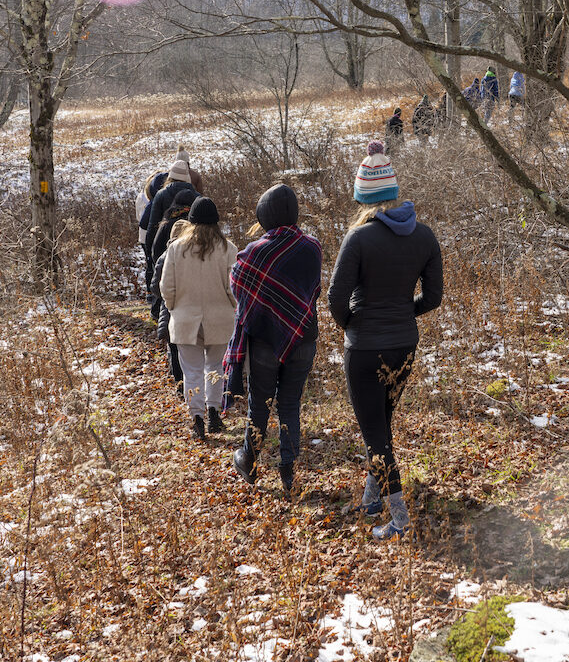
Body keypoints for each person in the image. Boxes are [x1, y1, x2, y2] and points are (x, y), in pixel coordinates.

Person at [328, 141, 443, 540]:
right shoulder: (424, 236)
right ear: (393, 193)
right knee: (381, 423)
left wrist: (353, 326)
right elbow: (433, 298)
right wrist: (401, 313)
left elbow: (335, 299)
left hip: (364, 347)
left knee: (375, 433)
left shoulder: (358, 239)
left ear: (363, 197)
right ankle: (372, 498)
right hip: (404, 345)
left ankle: (399, 519)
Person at [228, 184, 323, 499]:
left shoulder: (253, 252)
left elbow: (238, 286)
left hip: (265, 339)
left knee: (260, 403)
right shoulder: (312, 247)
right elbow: (313, 292)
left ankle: (250, 461)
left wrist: (265, 309)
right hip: (303, 336)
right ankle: (288, 468)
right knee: (290, 404)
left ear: (265, 216)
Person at [160, 196, 239, 440]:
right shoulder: (229, 249)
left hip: (185, 319)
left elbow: (166, 287)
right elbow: (234, 288)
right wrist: (234, 309)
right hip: (220, 319)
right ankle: (214, 412)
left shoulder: (176, 249)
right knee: (215, 367)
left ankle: (197, 417)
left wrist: (175, 309)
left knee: (191, 371)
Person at [148, 188, 200, 393]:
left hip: (169, 306)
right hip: (187, 305)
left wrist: (164, 292)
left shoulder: (165, 224)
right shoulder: (197, 236)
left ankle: (181, 384)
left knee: (174, 346)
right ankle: (191, 385)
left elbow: (153, 255)